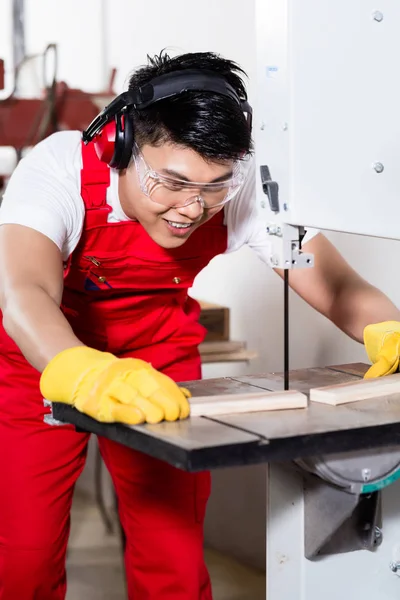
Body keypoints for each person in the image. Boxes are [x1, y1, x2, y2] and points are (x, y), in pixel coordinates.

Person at [0, 49, 398, 600]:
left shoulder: (241, 190)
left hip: (160, 362)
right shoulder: (59, 168)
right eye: (172, 182)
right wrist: (83, 373)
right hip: (38, 364)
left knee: (174, 562)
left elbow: (335, 287)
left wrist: (390, 329)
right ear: (123, 146)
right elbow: (26, 291)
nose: (192, 207)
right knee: (22, 559)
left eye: (214, 186)